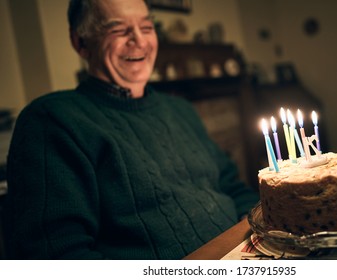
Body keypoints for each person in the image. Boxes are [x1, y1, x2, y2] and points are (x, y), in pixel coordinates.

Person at [2, 0, 259, 259]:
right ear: (80, 42)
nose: (139, 40)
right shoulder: (51, 121)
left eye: (147, 27)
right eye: (118, 29)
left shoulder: (181, 109)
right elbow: (55, 256)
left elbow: (233, 186)